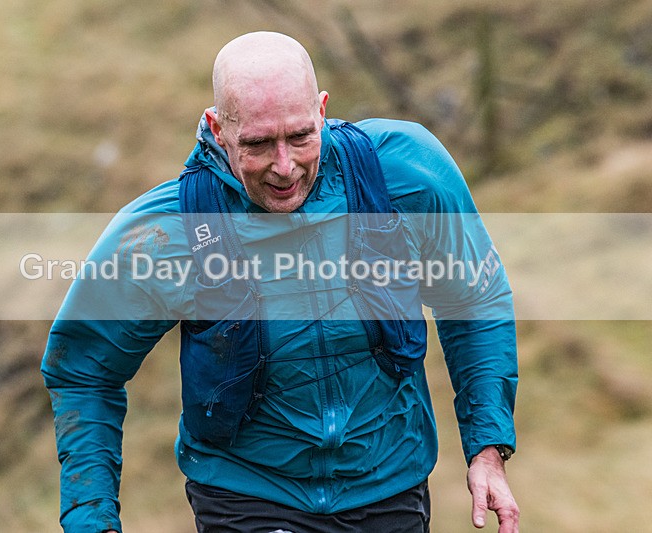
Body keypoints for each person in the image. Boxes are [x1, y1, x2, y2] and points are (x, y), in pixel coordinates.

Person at [42, 31, 519, 533]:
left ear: (321, 110)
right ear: (218, 129)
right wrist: (92, 519)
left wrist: (486, 448)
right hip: (249, 495)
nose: (285, 167)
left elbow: (474, 295)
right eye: (258, 144)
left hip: (389, 486)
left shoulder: (404, 175)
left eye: (300, 137)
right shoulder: (166, 232)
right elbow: (83, 370)